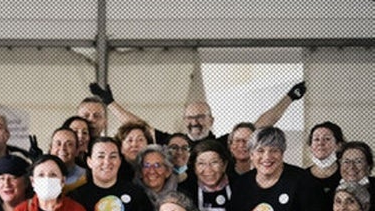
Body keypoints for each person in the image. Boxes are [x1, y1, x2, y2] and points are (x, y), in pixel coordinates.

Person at [89, 81, 306, 148]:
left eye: (201, 117)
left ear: (211, 120)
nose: (195, 122)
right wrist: (109, 102)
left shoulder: (225, 143)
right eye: (190, 118)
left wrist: (289, 97)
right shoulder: (174, 143)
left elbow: (259, 125)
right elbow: (139, 127)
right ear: (184, 122)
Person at [179, 140, 233, 211]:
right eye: (201, 163)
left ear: (224, 165)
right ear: (195, 168)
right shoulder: (186, 192)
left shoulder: (240, 187)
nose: (208, 169)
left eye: (214, 162)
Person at [305, 122, 345, 211]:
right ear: (310, 146)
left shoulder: (347, 175)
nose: (320, 143)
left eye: (327, 139)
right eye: (316, 139)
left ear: (338, 146)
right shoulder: (301, 177)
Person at [339, 141, 375, 211]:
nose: (351, 167)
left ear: (368, 166)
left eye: (358, 161)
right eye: (346, 161)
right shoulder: (331, 190)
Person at [134, 146, 179, 211]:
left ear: (168, 171)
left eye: (157, 165)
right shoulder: (132, 196)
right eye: (146, 165)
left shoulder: (181, 197)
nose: (152, 171)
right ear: (140, 171)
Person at [48, 128, 86, 193]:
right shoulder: (41, 175)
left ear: (77, 150)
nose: (63, 148)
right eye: (58, 144)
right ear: (50, 148)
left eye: (69, 144)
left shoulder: (86, 176)